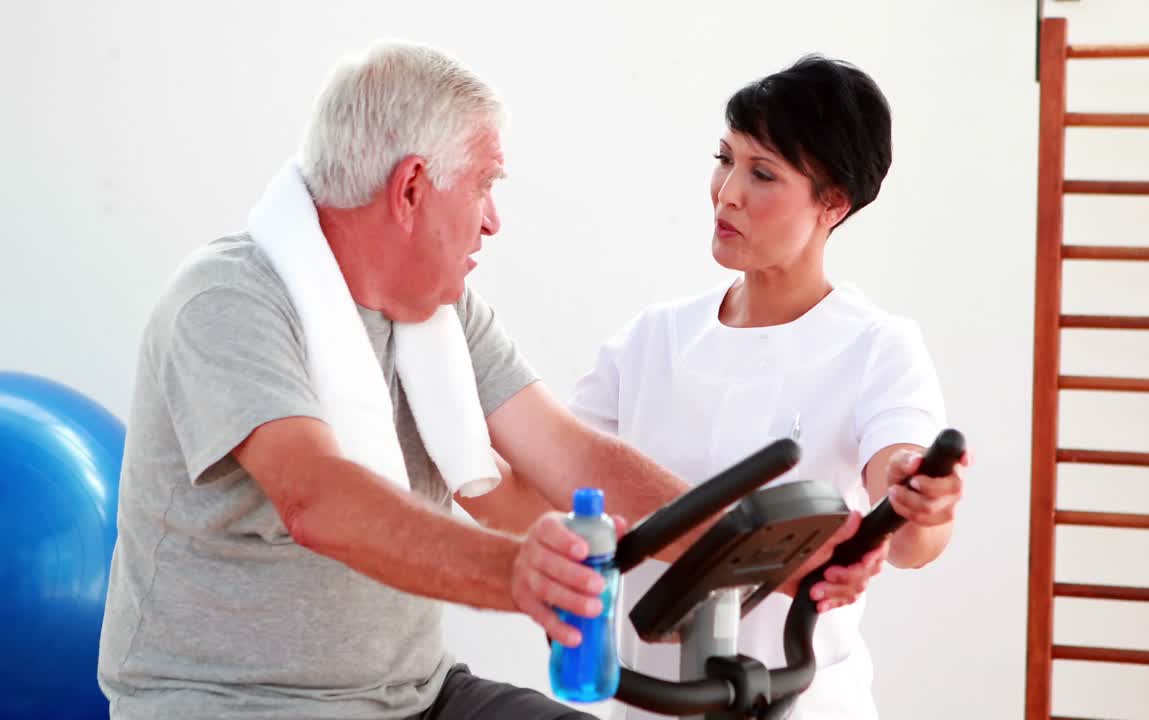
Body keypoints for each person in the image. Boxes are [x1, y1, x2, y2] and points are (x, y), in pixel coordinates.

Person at [96, 42, 875, 720]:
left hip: (414, 697)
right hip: (234, 706)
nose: (494, 219)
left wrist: (780, 551)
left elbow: (574, 460)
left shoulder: (443, 312)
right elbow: (317, 497)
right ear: (410, 190)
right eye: (484, 185)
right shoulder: (230, 298)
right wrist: (515, 575)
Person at [569, 55, 969, 720]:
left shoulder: (876, 346)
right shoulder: (652, 339)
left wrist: (919, 501)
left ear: (833, 202)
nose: (727, 191)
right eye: (724, 158)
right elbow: (548, 476)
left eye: (762, 174)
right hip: (650, 704)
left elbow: (906, 539)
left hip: (801, 702)